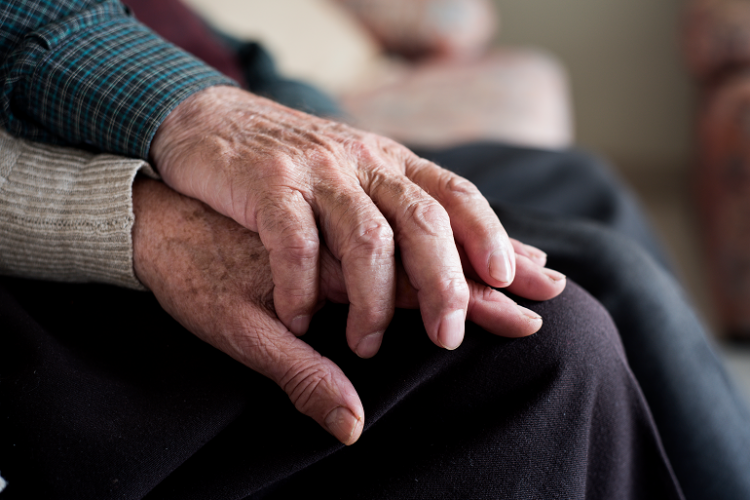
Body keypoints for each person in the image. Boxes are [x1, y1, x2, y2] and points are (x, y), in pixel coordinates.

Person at [0, 0, 747, 498]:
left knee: (581, 190)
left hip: (216, 127)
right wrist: (132, 208)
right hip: (93, 190)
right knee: (543, 328)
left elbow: (232, 50)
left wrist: (321, 130)